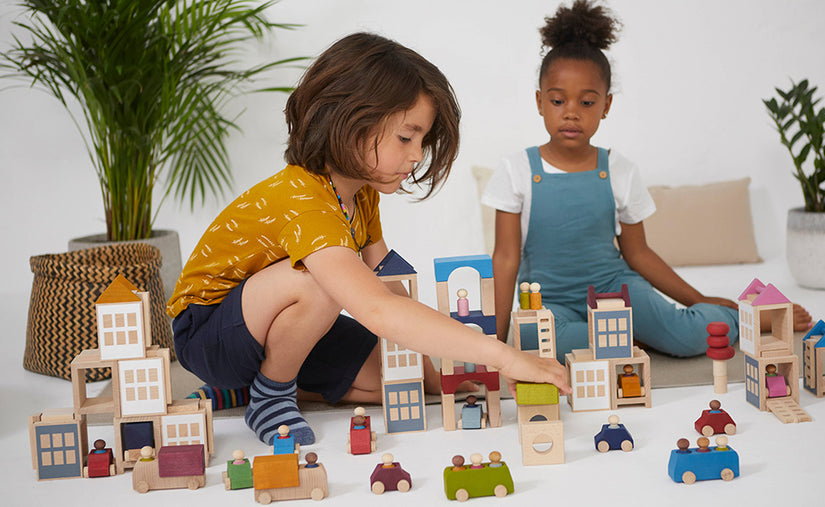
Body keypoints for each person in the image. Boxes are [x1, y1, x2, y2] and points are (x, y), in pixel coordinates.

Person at [167, 32, 569, 447]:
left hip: (282, 325)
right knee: (318, 281)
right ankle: (270, 392)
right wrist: (504, 355)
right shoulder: (305, 199)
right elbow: (375, 307)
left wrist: (433, 371)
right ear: (350, 121)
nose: (416, 156)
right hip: (210, 332)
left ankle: (247, 389)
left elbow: (390, 283)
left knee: (401, 383)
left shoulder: (361, 195)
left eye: (422, 141)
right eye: (405, 138)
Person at [484, 1, 811, 363]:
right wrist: (494, 343)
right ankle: (630, 338)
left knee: (688, 338)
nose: (572, 112)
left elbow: (638, 253)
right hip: (550, 303)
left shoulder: (618, 169)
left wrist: (697, 300)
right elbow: (505, 258)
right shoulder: (516, 170)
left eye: (587, 102)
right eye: (558, 100)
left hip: (615, 291)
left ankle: (748, 316)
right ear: (539, 102)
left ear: (606, 105)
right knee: (541, 348)